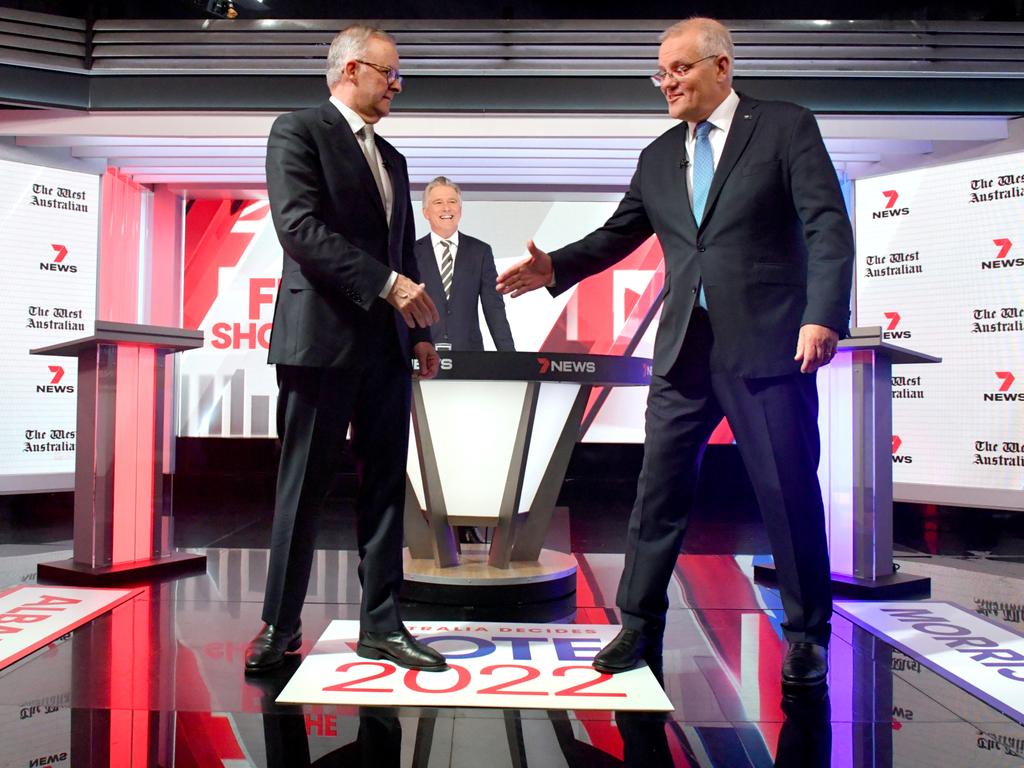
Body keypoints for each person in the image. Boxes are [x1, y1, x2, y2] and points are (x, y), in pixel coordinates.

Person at [497, 17, 853, 688]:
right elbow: (618, 234)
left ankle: (807, 635)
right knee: (656, 494)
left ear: (722, 67)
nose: (666, 83)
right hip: (684, 352)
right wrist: (556, 270)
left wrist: (822, 315)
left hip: (771, 348)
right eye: (660, 72)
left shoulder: (783, 126)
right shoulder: (660, 156)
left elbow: (827, 224)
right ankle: (637, 623)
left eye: (679, 70)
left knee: (787, 493)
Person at [245, 24, 447, 675]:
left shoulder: (394, 158)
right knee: (301, 491)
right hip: (320, 347)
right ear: (351, 69)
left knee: (386, 490)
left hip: (385, 351)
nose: (397, 84)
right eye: (389, 72)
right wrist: (388, 286)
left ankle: (382, 626)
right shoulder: (297, 131)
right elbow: (298, 229)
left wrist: (417, 332)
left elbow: (401, 253)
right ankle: (279, 627)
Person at [416, 176, 516, 352]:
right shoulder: (409, 253)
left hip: (470, 356)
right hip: (421, 355)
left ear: (460, 210)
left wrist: (511, 359)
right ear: (426, 212)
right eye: (438, 202)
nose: (446, 208)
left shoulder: (480, 251)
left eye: (452, 201)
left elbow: (494, 308)